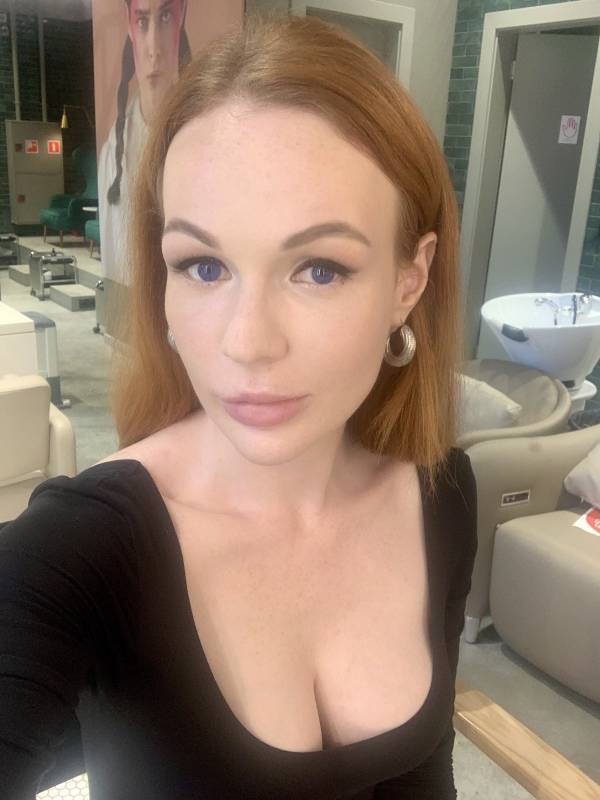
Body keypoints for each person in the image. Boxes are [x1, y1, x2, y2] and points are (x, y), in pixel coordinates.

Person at [0, 12, 478, 799]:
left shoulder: (440, 491)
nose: (247, 342)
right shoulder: (76, 551)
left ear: (409, 281)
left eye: (319, 269)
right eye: (204, 266)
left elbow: (425, 778)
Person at [97, 0, 190, 285]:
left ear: (181, 16)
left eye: (165, 17)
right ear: (129, 24)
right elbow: (115, 266)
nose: (154, 48)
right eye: (142, 22)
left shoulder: (208, 140)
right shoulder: (115, 155)